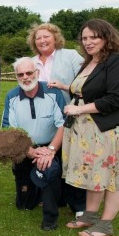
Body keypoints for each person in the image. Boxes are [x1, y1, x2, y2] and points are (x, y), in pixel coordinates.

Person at [61, 19, 119, 236]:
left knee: (112, 177)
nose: (88, 42)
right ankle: (89, 216)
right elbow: (82, 90)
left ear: (106, 37)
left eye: (94, 37)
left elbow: (116, 99)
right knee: (95, 174)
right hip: (86, 132)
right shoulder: (89, 62)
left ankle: (105, 225)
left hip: (108, 131)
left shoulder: (117, 61)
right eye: (85, 38)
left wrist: (79, 110)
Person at [27, 23, 86, 218]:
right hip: (45, 120)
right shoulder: (32, 62)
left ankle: (78, 205)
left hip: (70, 116)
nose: (42, 41)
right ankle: (54, 197)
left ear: (55, 37)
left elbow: (88, 83)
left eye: (46, 37)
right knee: (53, 158)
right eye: (38, 38)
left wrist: (64, 86)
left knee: (73, 159)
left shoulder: (70, 56)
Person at [2, 57, 66, 231]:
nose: (25, 77)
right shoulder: (12, 96)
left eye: (29, 72)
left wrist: (50, 150)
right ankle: (35, 194)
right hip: (24, 149)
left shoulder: (53, 93)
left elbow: (64, 125)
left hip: (51, 148)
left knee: (49, 169)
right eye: (20, 74)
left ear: (36, 73)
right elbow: (10, 132)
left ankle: (50, 219)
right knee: (24, 204)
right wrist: (29, 150)